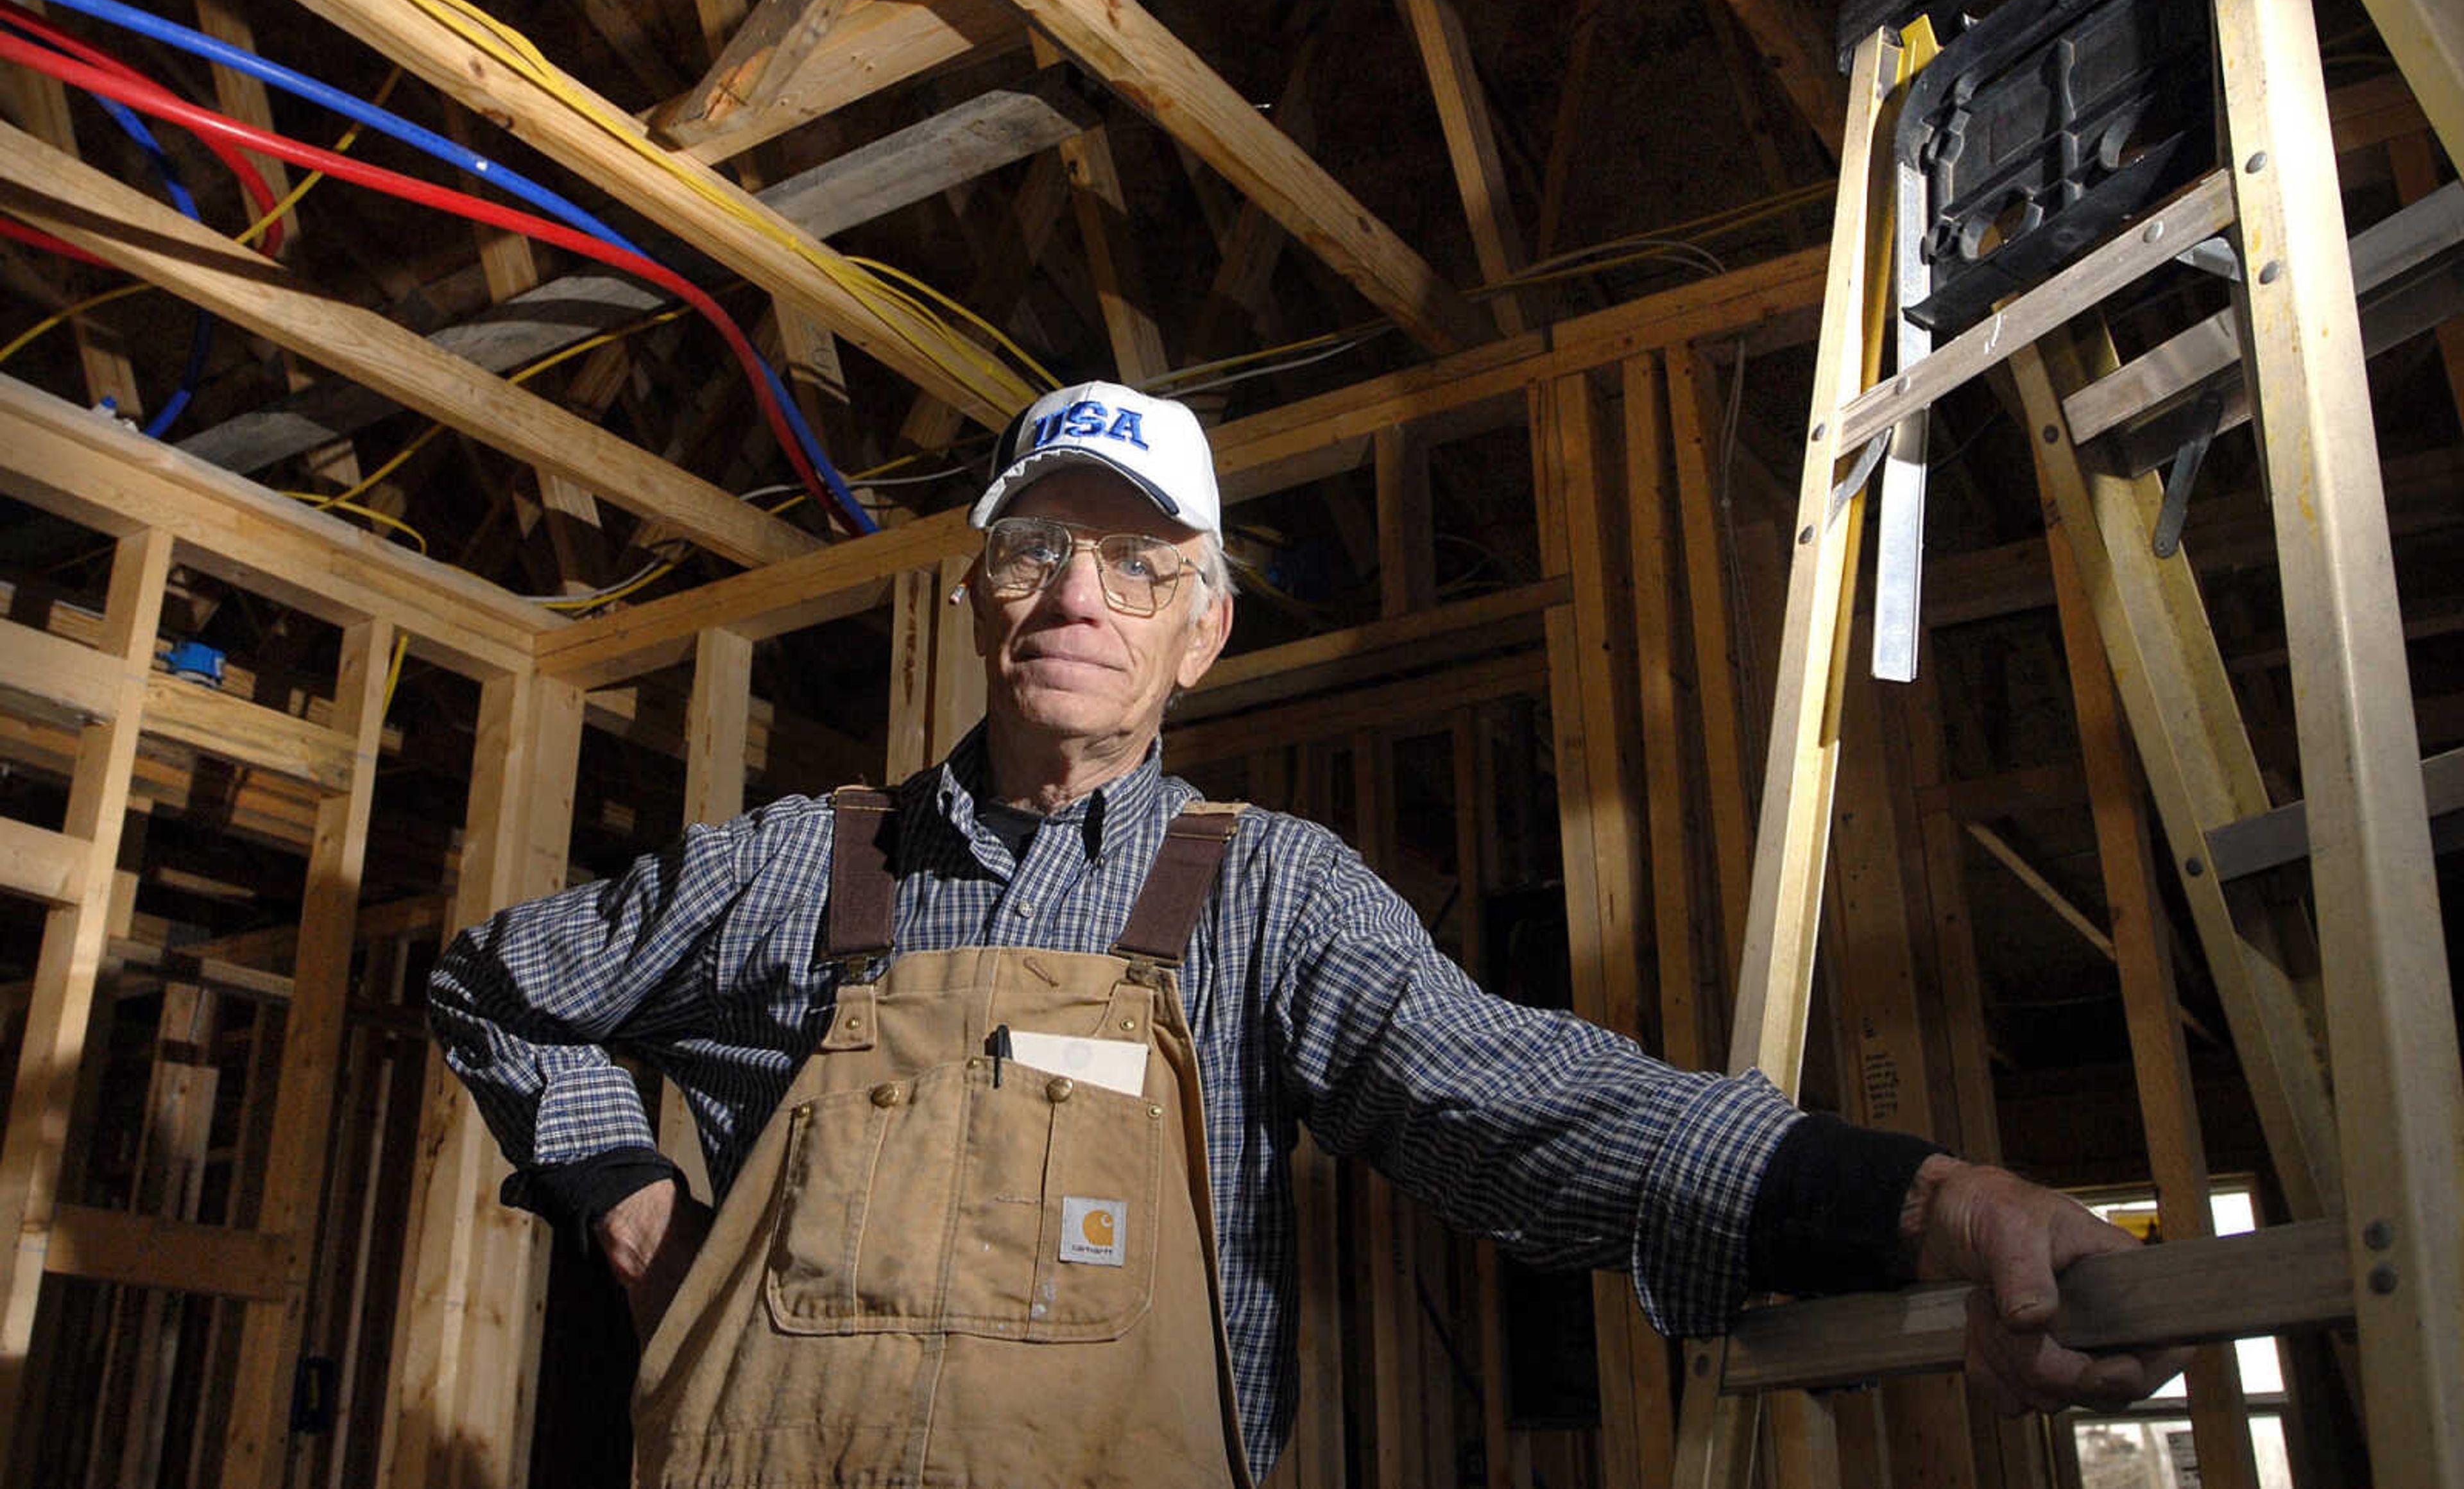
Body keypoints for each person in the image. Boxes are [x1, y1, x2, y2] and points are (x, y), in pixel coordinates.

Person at [431, 381, 2175, 1488]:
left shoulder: (1260, 892)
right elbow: (496, 987)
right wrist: (622, 1192)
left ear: (1205, 629)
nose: (1078, 597)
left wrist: (1917, 1198)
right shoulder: (807, 867)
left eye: (1137, 566)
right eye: (1038, 548)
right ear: (977, 586)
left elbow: (1526, 1099)